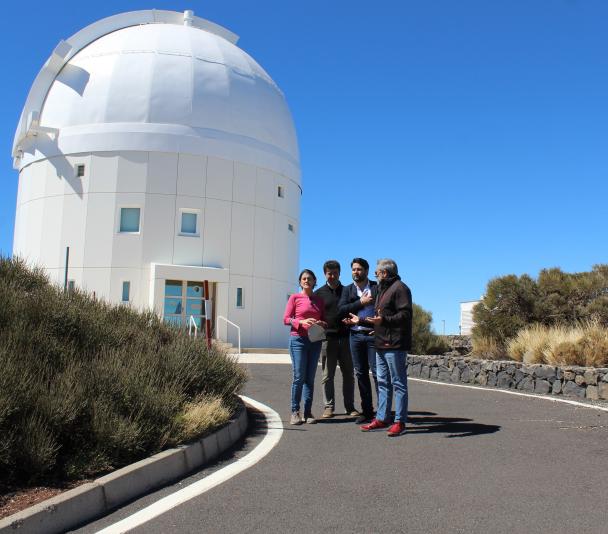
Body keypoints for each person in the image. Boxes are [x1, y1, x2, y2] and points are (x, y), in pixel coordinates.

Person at [359, 258, 412, 437]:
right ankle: (382, 418)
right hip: (380, 343)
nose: (376, 275)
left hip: (395, 344)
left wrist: (384, 321)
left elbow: (405, 315)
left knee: (398, 383)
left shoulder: (400, 288)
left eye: (377, 273)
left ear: (384, 273)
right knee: (382, 383)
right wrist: (359, 321)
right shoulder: (383, 289)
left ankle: (400, 421)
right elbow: (379, 319)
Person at [283, 269, 328, 425]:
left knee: (310, 378)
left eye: (309, 278)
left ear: (315, 281)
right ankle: (295, 412)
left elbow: (323, 319)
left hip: (315, 341)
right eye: (303, 278)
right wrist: (300, 322)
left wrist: (321, 323)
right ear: (300, 281)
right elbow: (286, 319)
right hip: (298, 340)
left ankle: (308, 413)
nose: (306, 280)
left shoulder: (319, 301)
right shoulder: (295, 298)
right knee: (299, 377)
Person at [314, 260, 357, 419]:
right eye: (329, 273)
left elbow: (353, 310)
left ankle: (350, 407)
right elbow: (315, 316)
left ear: (340, 273)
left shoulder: (347, 291)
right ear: (325, 274)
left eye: (335, 273)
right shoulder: (319, 294)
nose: (332, 276)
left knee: (349, 375)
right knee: (327, 376)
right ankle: (329, 407)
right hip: (328, 340)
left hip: (346, 338)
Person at [338, 258, 379, 424]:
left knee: (378, 374)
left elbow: (385, 307)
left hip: (372, 335)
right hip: (355, 336)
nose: (356, 272)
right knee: (361, 373)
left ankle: (383, 411)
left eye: (359, 269)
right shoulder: (348, 290)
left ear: (367, 271)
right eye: (354, 269)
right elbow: (341, 310)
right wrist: (360, 303)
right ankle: (367, 411)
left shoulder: (376, 287)